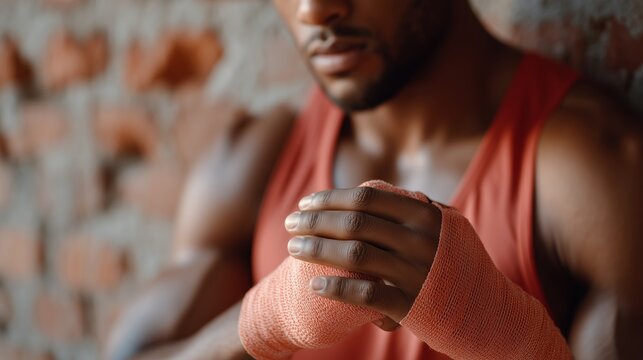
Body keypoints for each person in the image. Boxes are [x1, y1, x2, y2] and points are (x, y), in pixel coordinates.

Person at [104, 0, 643, 359]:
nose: (316, 9)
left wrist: (505, 338)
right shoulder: (253, 161)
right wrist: (264, 323)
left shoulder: (591, 173)